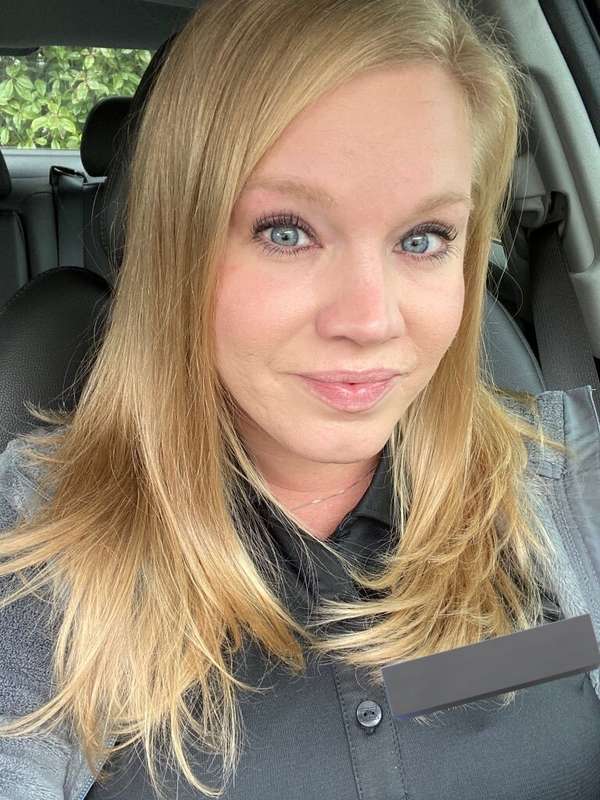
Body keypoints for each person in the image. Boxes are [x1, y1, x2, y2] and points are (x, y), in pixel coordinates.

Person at [1, 0, 600, 798]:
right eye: (286, 232)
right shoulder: (46, 529)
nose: (370, 320)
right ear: (178, 246)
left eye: (423, 238)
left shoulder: (565, 475)